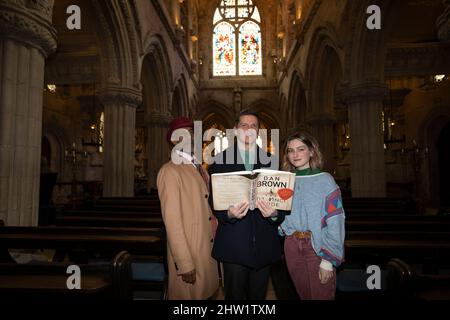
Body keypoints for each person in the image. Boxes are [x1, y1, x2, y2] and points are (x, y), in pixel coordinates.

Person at [208, 109, 285, 300]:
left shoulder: (272, 161)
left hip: (265, 242)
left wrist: (275, 213)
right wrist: (228, 215)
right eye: (244, 125)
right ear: (235, 130)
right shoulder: (219, 160)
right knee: (235, 298)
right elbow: (213, 200)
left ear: (258, 131)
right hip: (234, 243)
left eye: (253, 126)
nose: (249, 129)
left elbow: (283, 203)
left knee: (258, 298)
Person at [157, 117, 219, 300]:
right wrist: (184, 263)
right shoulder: (170, 171)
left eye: (192, 133)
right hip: (190, 251)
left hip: (205, 247)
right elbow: (172, 222)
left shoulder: (198, 168)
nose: (190, 138)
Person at [279, 131, 345, 300]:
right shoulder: (285, 181)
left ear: (311, 151)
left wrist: (328, 259)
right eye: (290, 150)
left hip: (317, 247)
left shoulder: (325, 180)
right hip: (291, 245)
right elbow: (281, 218)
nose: (295, 154)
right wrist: (273, 215)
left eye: (300, 149)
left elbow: (335, 220)